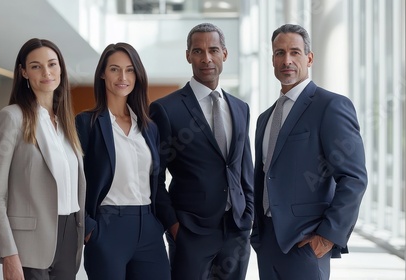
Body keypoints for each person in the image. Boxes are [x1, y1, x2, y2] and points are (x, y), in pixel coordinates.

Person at [250, 23, 368, 280]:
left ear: (309, 58)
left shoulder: (330, 106)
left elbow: (354, 178)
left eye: (295, 52)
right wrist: (258, 234)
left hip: (306, 242)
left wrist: (327, 237)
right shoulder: (265, 118)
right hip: (267, 243)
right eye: (279, 53)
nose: (287, 60)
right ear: (272, 60)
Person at [149, 23, 254, 279]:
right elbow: (155, 176)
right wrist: (174, 226)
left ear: (224, 54)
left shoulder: (240, 108)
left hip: (236, 230)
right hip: (190, 232)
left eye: (213, 50)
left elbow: (244, 168)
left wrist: (248, 215)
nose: (206, 58)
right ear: (188, 56)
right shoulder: (166, 109)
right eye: (198, 51)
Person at [0, 38, 86, 280]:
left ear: (61, 68)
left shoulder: (66, 123)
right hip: (27, 242)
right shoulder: (12, 118)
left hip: (69, 236)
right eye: (36, 66)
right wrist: (8, 253)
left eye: (52, 64)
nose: (46, 72)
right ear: (24, 72)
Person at [75, 42, 171, 280]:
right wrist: (89, 229)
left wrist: (163, 224)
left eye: (129, 70)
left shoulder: (149, 127)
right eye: (115, 69)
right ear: (102, 73)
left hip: (148, 227)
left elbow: (157, 182)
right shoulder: (86, 124)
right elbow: (73, 181)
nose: (123, 77)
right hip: (107, 227)